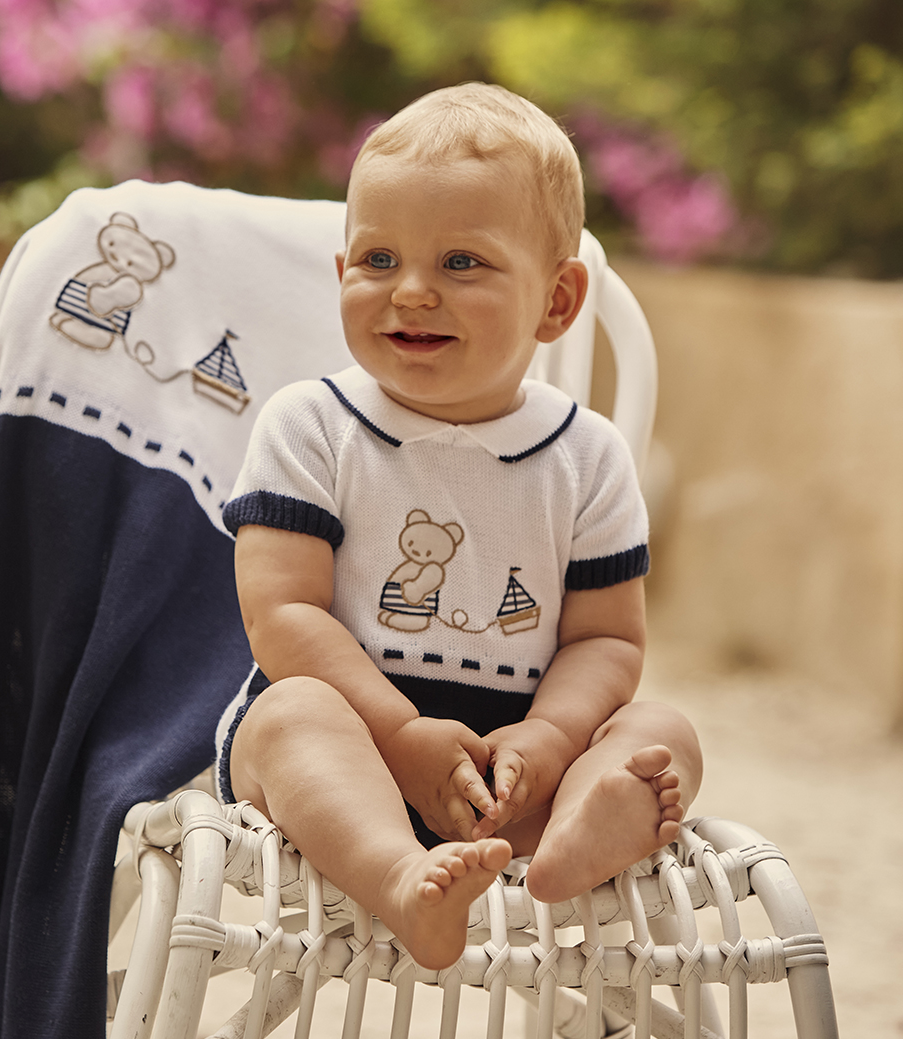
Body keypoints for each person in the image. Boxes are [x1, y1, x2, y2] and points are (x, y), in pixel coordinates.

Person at [215, 83, 702, 972]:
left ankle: (575, 835)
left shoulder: (588, 456)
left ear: (557, 302)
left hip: (514, 782)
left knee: (664, 732)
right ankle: (401, 877)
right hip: (348, 758)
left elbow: (605, 640)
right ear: (341, 271)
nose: (410, 291)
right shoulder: (310, 425)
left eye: (461, 263)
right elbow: (283, 614)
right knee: (289, 715)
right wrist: (399, 736)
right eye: (378, 259)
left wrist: (550, 742)